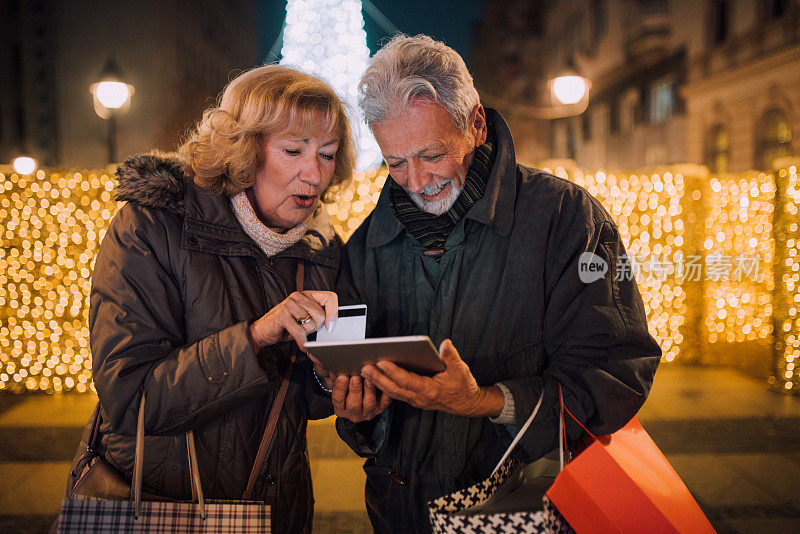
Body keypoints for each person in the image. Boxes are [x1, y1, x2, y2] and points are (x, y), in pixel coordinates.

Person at [331, 35, 662, 533]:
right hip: (398, 512)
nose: (416, 181)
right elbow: (360, 409)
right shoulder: (367, 245)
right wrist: (358, 411)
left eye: (431, 155)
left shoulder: (566, 219)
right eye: (395, 162)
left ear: (476, 125)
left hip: (521, 509)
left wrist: (486, 401)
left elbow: (617, 373)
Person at [67, 65, 355, 533]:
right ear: (243, 150)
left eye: (327, 153)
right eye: (292, 150)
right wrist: (257, 337)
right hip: (156, 506)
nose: (315, 173)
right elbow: (130, 398)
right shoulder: (150, 226)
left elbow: (298, 403)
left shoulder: (322, 248)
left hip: (277, 513)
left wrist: (329, 379)